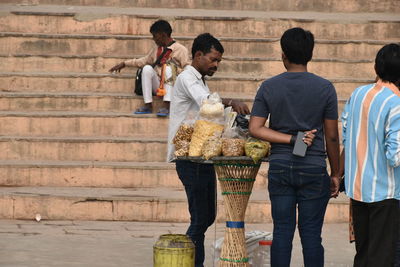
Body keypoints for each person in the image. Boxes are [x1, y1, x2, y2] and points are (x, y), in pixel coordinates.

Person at [249, 27, 341, 267]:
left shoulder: (269, 87)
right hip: (313, 168)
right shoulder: (325, 88)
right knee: (311, 235)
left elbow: (256, 128)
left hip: (280, 167)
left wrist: (289, 140)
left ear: (283, 55)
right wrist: (335, 174)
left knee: (282, 232)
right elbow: (332, 137)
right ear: (310, 55)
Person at [167, 33, 249, 267]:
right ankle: (189, 261)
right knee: (201, 218)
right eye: (213, 60)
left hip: (202, 158)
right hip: (189, 158)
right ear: (198, 55)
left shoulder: (200, 79)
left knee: (205, 216)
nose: (216, 65)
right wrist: (231, 101)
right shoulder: (187, 78)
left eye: (219, 61)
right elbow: (207, 102)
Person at [340, 43, 400, 267]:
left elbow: (345, 132)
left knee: (363, 254)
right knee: (382, 257)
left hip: (359, 188)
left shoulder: (358, 94)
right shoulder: (396, 104)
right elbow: (395, 155)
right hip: (386, 193)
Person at [109, 19, 190, 116]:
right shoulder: (156, 49)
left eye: (155, 36)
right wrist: (124, 63)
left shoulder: (181, 49)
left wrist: (175, 69)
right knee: (147, 68)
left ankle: (167, 104)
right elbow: (143, 61)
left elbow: (188, 69)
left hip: (174, 87)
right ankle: (148, 105)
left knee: (168, 67)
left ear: (163, 35)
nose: (154, 39)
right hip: (159, 85)